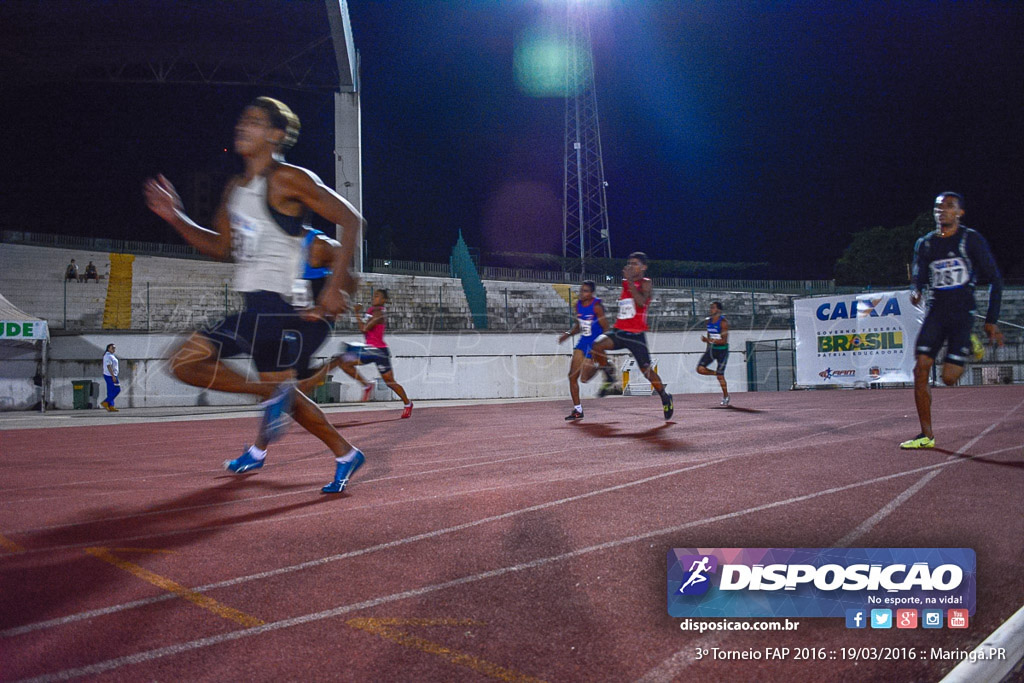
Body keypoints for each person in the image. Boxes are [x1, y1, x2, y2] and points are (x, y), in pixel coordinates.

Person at [144, 96, 366, 494]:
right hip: (254, 306)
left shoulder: (288, 179)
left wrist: (333, 288)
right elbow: (220, 247)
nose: (243, 126)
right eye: (242, 119)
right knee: (287, 398)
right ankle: (345, 452)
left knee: (184, 361)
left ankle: (273, 402)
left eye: (255, 121)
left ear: (276, 135)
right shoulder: (236, 187)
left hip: (277, 311)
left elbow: (352, 219)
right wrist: (175, 217)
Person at [900, 192, 1003, 449]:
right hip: (936, 313)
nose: (942, 211)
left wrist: (991, 320)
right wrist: (915, 290)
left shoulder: (970, 240)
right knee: (921, 368)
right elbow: (918, 276)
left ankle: (969, 342)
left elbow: (996, 280)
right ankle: (926, 435)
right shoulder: (924, 244)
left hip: (962, 314)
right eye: (938, 207)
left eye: (949, 207)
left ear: (959, 213)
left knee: (948, 378)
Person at [590, 252, 674, 420]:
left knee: (646, 372)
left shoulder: (646, 283)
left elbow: (642, 302)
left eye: (634, 263)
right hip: (620, 331)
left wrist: (629, 281)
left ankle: (665, 397)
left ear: (643, 267)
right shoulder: (625, 283)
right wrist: (627, 282)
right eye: (628, 263)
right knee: (596, 346)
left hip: (636, 335)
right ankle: (609, 374)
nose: (630, 266)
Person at [331, 289, 413, 418]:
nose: (374, 298)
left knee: (390, 382)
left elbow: (364, 328)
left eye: (377, 296)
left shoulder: (379, 313)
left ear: (383, 300)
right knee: (345, 363)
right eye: (374, 295)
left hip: (379, 351)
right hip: (370, 349)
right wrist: (359, 315)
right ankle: (367, 385)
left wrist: (357, 312)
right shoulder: (371, 311)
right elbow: (363, 330)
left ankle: (407, 404)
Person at [557, 280, 610, 420]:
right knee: (572, 376)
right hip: (583, 342)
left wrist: (599, 346)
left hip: (595, 343)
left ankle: (602, 366)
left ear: (591, 293)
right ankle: (577, 410)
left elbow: (606, 328)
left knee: (585, 379)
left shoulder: (597, 307)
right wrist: (568, 334)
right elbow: (579, 326)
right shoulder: (578, 305)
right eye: (581, 290)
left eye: (585, 291)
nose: (582, 293)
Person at [696, 301, 731, 406]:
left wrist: (709, 340)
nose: (711, 309)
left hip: (722, 350)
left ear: (719, 310)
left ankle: (726, 396)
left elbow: (724, 341)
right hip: (712, 349)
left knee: (721, 377)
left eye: (713, 308)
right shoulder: (708, 321)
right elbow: (709, 334)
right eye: (711, 307)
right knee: (700, 369)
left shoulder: (723, 322)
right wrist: (707, 346)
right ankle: (716, 373)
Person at [100, 343, 121, 412]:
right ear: (108, 348)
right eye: (112, 348)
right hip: (109, 375)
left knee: (111, 391)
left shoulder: (111, 355)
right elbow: (108, 366)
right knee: (117, 389)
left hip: (113, 375)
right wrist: (113, 376)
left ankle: (111, 405)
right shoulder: (107, 356)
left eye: (114, 348)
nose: (114, 349)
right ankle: (106, 402)